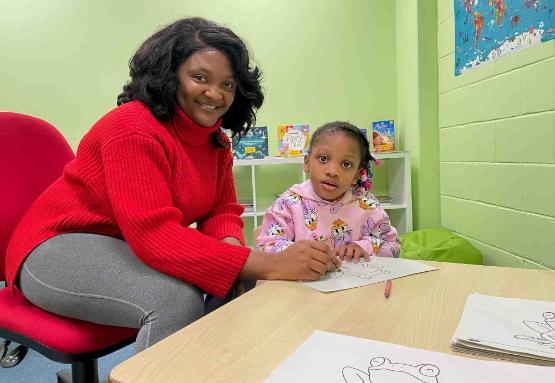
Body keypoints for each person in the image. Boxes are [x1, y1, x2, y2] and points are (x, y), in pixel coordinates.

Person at [5, 17, 339, 353]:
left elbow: (221, 211)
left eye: (228, 84)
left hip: (122, 246)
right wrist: (271, 263)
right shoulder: (131, 128)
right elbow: (155, 236)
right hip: (52, 249)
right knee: (176, 301)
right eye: (200, 78)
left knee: (241, 276)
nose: (216, 94)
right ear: (169, 76)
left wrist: (236, 256)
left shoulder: (216, 142)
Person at [256, 121, 400, 261]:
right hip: (302, 284)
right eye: (323, 159)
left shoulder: (366, 204)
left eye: (346, 164)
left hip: (355, 284)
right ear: (307, 162)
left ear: (356, 174)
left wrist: (363, 246)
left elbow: (393, 246)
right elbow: (264, 248)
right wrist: (298, 253)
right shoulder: (288, 204)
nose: (333, 172)